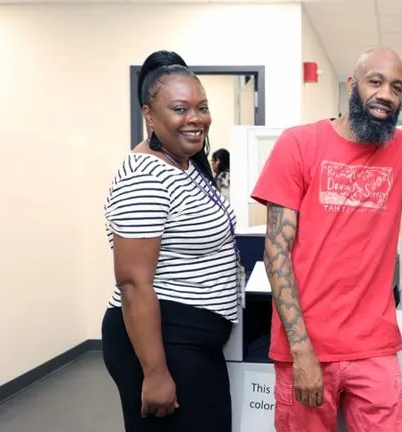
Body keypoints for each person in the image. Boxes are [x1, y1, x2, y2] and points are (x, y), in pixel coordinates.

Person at [251, 47, 402, 432]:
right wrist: (300, 349)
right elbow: (276, 253)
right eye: (376, 81)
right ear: (353, 85)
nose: (387, 93)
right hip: (306, 345)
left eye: (397, 87)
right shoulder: (298, 144)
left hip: (375, 345)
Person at [101, 52, 240, 432]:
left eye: (202, 107)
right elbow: (133, 282)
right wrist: (155, 372)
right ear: (149, 114)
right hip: (163, 346)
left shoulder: (186, 163)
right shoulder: (144, 176)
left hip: (191, 344)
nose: (196, 119)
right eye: (180, 109)